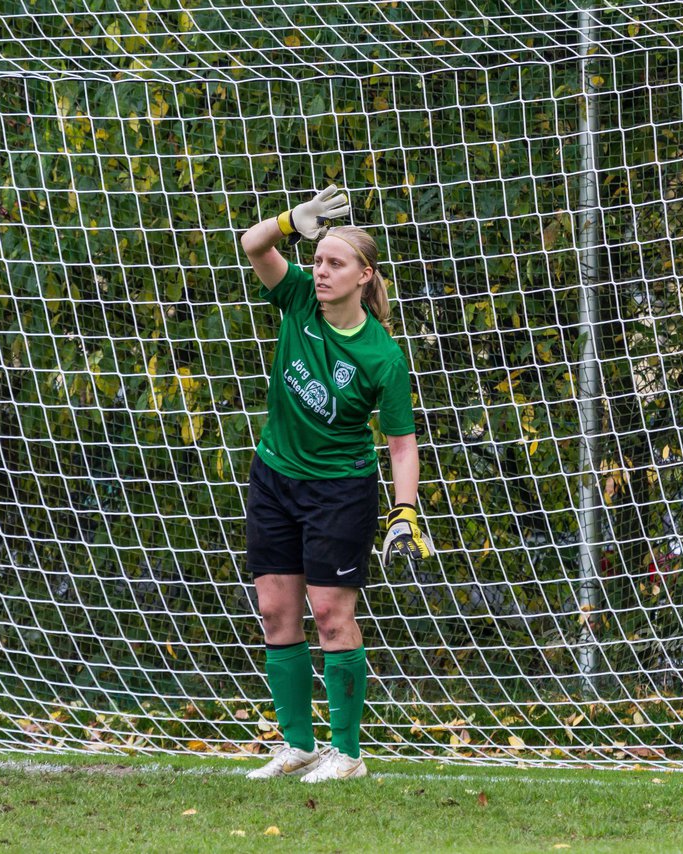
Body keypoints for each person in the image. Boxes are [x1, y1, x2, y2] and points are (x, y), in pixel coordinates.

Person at [239, 185, 434, 783]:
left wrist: (405, 510)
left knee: (329, 616)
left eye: (334, 263)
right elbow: (252, 245)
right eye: (318, 260)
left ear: (363, 276)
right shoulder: (297, 298)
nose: (319, 271)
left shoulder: (383, 357)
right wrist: (290, 224)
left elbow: (401, 445)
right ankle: (296, 745)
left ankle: (347, 754)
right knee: (276, 613)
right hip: (274, 477)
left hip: (339, 492)